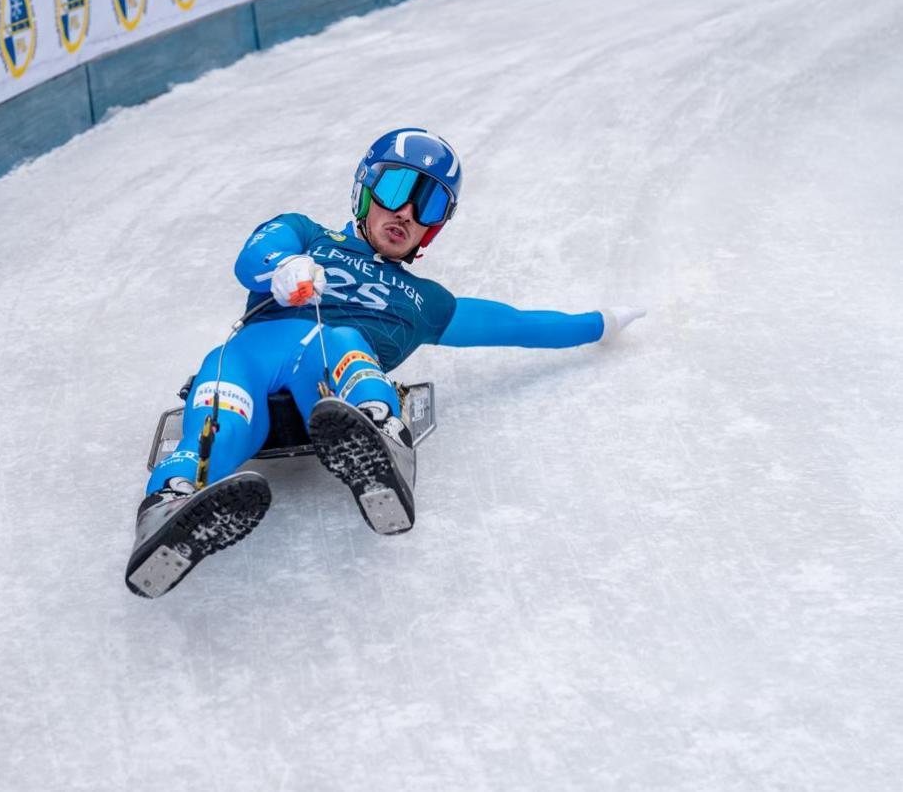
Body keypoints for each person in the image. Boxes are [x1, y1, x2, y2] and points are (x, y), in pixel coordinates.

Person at [125, 128, 645, 598]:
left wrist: (597, 323)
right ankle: (169, 506)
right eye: (397, 190)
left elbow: (518, 323)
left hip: (329, 373)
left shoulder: (424, 301)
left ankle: (377, 442)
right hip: (251, 359)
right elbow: (256, 251)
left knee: (340, 339)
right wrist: (282, 267)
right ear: (365, 191)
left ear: (434, 229)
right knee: (222, 382)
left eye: (429, 205)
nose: (407, 214)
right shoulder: (307, 236)